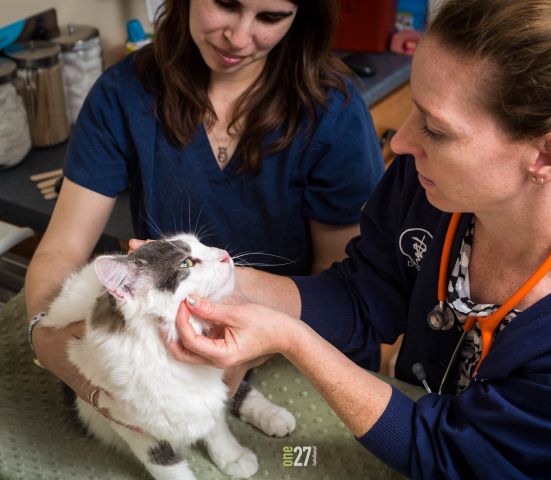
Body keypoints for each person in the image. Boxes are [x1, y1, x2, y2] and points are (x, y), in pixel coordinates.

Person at [165, 0, 551, 477]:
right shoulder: (426, 182)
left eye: (436, 129)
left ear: (547, 156)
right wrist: (236, 284)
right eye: (415, 108)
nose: (402, 143)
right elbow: (364, 294)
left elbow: (449, 455)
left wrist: (294, 340)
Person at [24, 1, 383, 401]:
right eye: (227, 4)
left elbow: (338, 282)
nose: (239, 38)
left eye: (270, 17)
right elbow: (61, 249)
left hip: (298, 354)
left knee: (293, 458)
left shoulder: (333, 107)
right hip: (176, 354)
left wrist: (262, 341)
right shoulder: (122, 95)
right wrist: (46, 336)